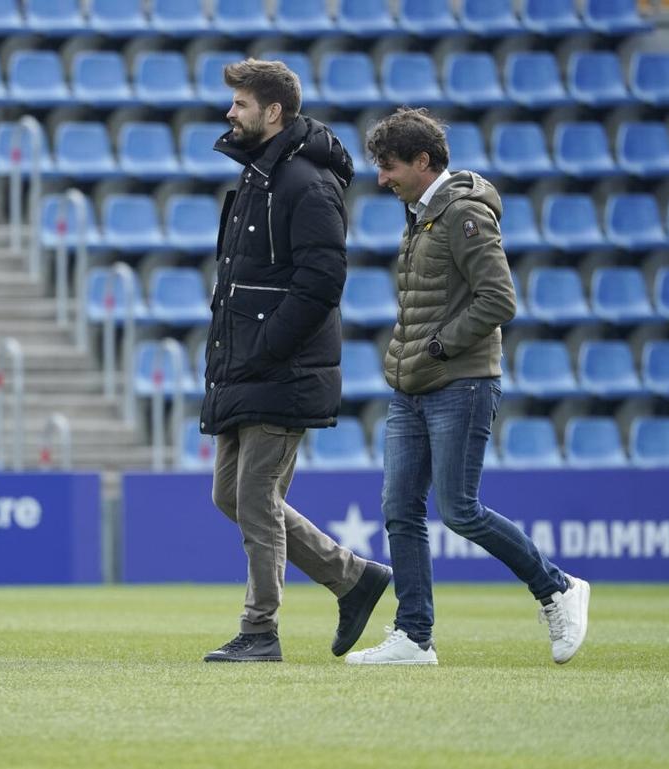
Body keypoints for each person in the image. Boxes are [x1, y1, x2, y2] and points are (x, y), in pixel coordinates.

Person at [345, 108, 590, 666]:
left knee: (459, 509)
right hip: (412, 387)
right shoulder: (420, 213)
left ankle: (557, 588)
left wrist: (438, 346)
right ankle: (414, 637)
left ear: (423, 161)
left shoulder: (463, 215)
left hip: (461, 382)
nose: (381, 178)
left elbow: (499, 300)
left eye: (390, 167)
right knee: (399, 508)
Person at [199, 59, 392, 663]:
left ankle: (260, 631)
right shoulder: (263, 176)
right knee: (229, 495)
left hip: (279, 368)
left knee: (254, 496)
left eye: (241, 103)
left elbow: (322, 280)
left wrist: (266, 349)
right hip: (249, 366)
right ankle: (352, 577)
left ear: (273, 111)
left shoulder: (305, 182)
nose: (230, 113)